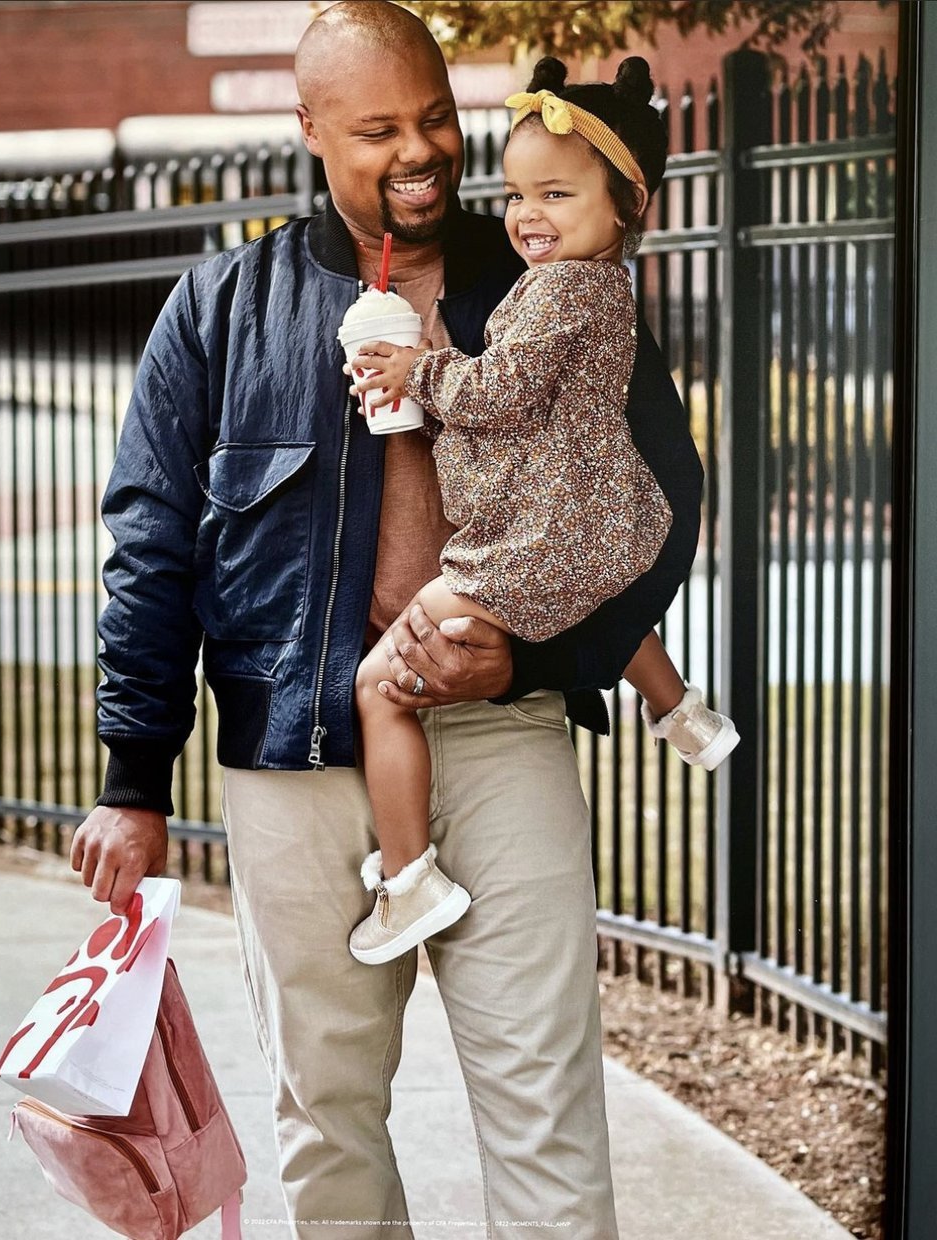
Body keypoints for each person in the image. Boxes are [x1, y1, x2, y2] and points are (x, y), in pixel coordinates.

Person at [69, 3, 705, 1236]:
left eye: (432, 119)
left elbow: (663, 496)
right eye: (376, 130)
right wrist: (131, 777)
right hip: (294, 761)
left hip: (500, 730)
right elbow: (148, 551)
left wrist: (535, 649)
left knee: (546, 1107)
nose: (418, 151)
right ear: (308, 129)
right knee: (327, 1120)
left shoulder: (548, 279)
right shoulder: (218, 311)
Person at [345, 55, 738, 965]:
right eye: (518, 193)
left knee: (377, 689)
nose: (527, 215)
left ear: (626, 204)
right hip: (597, 526)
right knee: (598, 596)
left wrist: (422, 371)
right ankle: (682, 715)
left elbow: (507, 389)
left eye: (555, 194)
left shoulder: (564, 289)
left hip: (532, 540)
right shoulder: (604, 288)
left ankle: (409, 883)